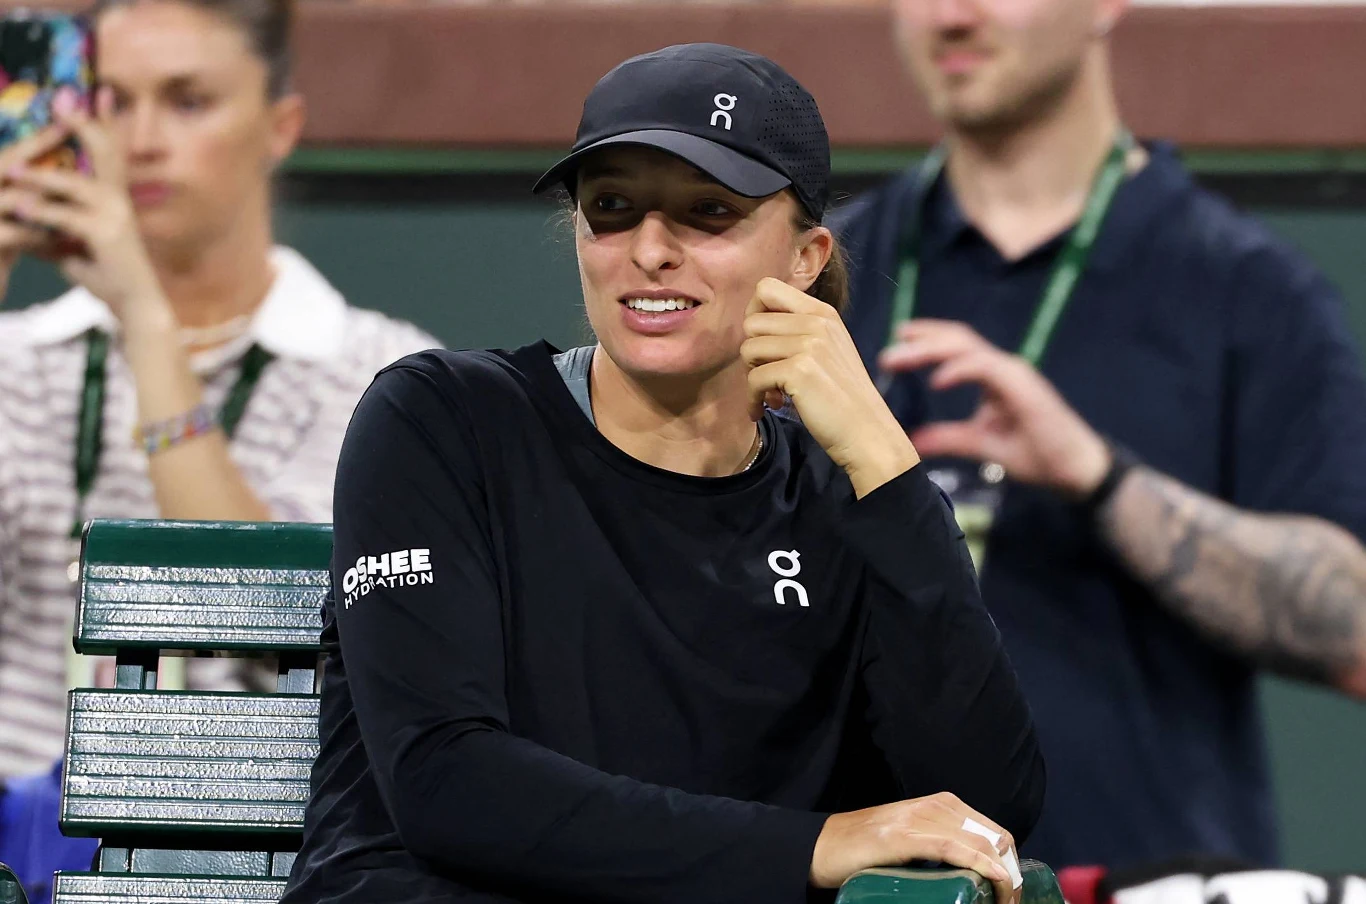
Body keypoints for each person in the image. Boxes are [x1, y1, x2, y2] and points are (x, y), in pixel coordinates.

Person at [283, 43, 1045, 904]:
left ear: (806, 257)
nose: (650, 250)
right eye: (611, 208)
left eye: (707, 213)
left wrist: (885, 461)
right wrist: (813, 845)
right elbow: (445, 782)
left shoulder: (847, 504)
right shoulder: (441, 420)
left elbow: (985, 805)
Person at [832, 0, 1366, 874]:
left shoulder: (1250, 289)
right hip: (871, 883)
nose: (950, 16)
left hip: (1145, 876)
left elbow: (1352, 629)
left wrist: (1099, 477)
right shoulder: (827, 274)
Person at [0, 0, 437, 780]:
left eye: (187, 102)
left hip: (238, 846)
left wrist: (143, 314)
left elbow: (279, 622)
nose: (140, 143)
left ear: (281, 127)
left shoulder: (385, 375)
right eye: (111, 103)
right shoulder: (19, 354)